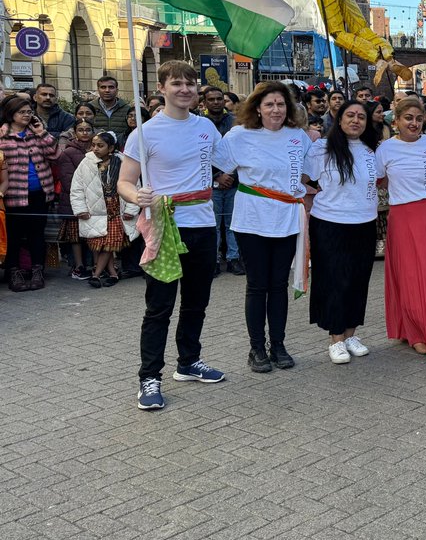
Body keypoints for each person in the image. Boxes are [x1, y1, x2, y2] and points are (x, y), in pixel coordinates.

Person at [119, 61, 226, 411]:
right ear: (162, 88)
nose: (185, 89)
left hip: (203, 226)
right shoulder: (145, 133)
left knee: (197, 302)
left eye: (191, 84)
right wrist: (137, 196)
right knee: (159, 307)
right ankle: (149, 377)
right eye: (177, 83)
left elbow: (232, 160)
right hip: (165, 228)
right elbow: (124, 181)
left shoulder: (207, 127)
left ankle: (188, 362)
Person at [214, 82, 311, 373]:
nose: (276, 110)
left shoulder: (298, 137)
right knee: (257, 285)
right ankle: (256, 347)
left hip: (286, 219)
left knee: (278, 285)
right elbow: (215, 166)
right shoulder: (239, 136)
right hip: (252, 220)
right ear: (257, 107)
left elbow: (312, 171)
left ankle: (278, 344)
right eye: (269, 104)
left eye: (281, 104)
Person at [376, 97, 426, 366]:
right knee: (412, 277)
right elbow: (378, 180)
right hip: (404, 216)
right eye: (408, 118)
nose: (414, 123)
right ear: (395, 120)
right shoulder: (385, 149)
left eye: (418, 118)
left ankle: (424, 331)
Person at [303, 100, 380, 364]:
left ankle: (350, 334)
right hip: (330, 223)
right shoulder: (322, 149)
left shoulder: (372, 151)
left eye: (361, 116)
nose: (356, 120)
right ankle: (335, 338)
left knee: (359, 280)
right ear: (339, 118)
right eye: (350, 115)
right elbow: (303, 179)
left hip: (365, 222)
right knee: (334, 280)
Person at [0, 96, 58, 291]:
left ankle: (37, 271)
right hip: (12, 195)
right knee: (14, 236)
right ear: (11, 114)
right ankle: (14, 272)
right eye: (22, 112)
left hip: (39, 192)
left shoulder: (35, 133)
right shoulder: (2, 135)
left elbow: (54, 154)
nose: (27, 115)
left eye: (29, 112)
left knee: (37, 235)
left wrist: (42, 133)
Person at [73, 131, 139, 288]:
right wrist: (80, 208)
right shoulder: (86, 163)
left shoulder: (123, 162)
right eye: (93, 145)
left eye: (100, 145)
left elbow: (135, 186)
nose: (95, 148)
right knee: (103, 243)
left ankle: (96, 275)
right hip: (96, 210)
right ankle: (113, 274)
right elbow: (77, 188)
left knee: (109, 243)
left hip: (117, 209)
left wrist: (132, 208)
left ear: (111, 148)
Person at [202, 85, 241, 277]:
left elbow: (239, 151)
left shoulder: (235, 122)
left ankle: (234, 259)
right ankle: (214, 260)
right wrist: (217, 175)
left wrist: (230, 174)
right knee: (214, 224)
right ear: (205, 102)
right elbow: (200, 154)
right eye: (212, 99)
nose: (217, 102)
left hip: (234, 181)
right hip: (210, 182)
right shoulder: (200, 124)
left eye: (220, 99)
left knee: (232, 223)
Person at [56, 118, 95, 279]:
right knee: (76, 237)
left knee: (94, 234)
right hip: (73, 200)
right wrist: (84, 196)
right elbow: (68, 180)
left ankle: (96, 265)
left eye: (88, 129)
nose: (85, 133)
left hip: (95, 200)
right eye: (81, 129)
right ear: (75, 132)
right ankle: (79, 266)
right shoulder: (68, 152)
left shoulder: (97, 149)